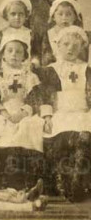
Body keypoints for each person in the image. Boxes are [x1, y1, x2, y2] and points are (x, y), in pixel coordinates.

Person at [0, 34, 46, 190]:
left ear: (25, 56)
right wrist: (4, 113)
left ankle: (27, 182)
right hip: (3, 112)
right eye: (10, 51)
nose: (14, 55)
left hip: (24, 112)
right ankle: (8, 181)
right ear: (3, 54)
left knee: (30, 126)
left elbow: (35, 99)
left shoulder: (30, 77)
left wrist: (23, 113)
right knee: (1, 128)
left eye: (18, 52)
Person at [36, 26, 91, 202]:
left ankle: (78, 184)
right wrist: (47, 116)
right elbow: (45, 94)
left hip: (83, 112)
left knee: (83, 139)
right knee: (59, 141)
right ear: (57, 46)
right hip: (60, 113)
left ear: (82, 47)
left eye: (75, 46)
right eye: (66, 44)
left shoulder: (87, 69)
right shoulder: (51, 70)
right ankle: (61, 184)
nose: (70, 49)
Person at [41, 0, 83, 66]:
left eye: (68, 14)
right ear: (53, 17)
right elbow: (46, 57)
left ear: (75, 17)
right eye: (60, 14)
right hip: (55, 67)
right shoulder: (49, 34)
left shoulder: (79, 34)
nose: (64, 18)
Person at [0, 0, 37, 65]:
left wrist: (34, 63)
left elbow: (35, 54)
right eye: (13, 14)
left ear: (26, 16)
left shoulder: (30, 34)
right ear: (6, 16)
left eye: (21, 14)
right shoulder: (1, 34)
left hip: (26, 68)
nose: (17, 17)